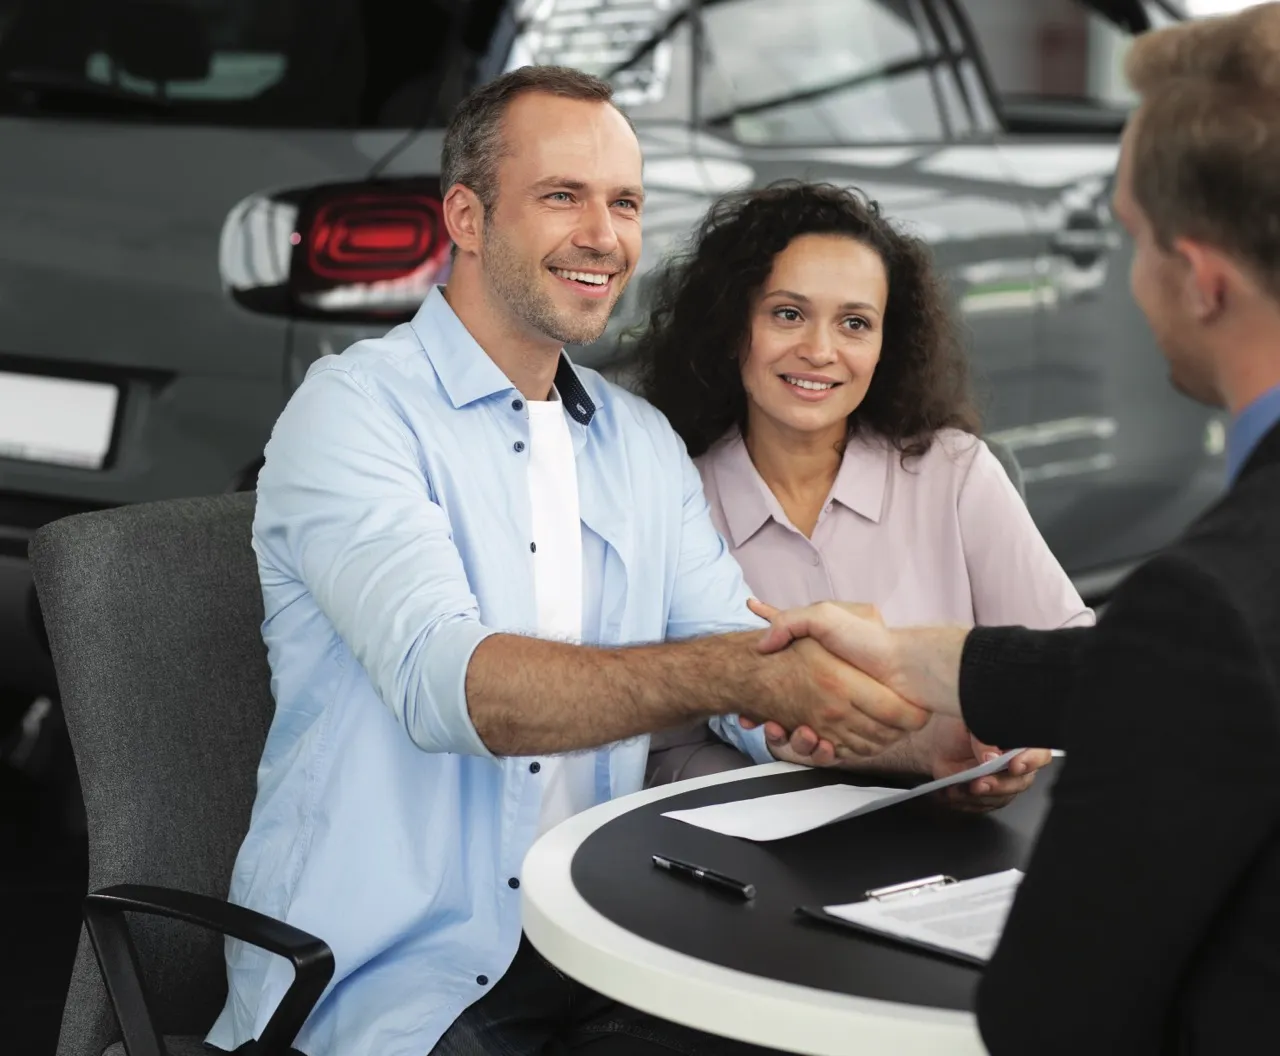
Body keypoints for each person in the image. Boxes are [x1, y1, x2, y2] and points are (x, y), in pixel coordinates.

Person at [205, 65, 985, 1056]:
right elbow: (455, 689)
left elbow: (751, 679)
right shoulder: (354, 413)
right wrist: (736, 674)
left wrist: (936, 749)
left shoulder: (637, 442)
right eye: (562, 196)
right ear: (466, 217)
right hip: (399, 976)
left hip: (605, 939)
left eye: (624, 203)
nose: (603, 236)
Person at [748, 6, 1280, 1053]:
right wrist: (917, 660)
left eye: (1131, 240)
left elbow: (1049, 1010)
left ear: (1201, 277)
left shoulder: (1207, 607)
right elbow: (1132, 670)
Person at [632, 182, 1091, 788]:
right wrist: (809, 767)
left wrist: (1003, 753)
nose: (820, 351)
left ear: (884, 346)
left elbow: (1077, 666)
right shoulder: (671, 499)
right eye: (788, 314)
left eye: (854, 323)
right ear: (732, 326)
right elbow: (659, 752)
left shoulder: (956, 473)